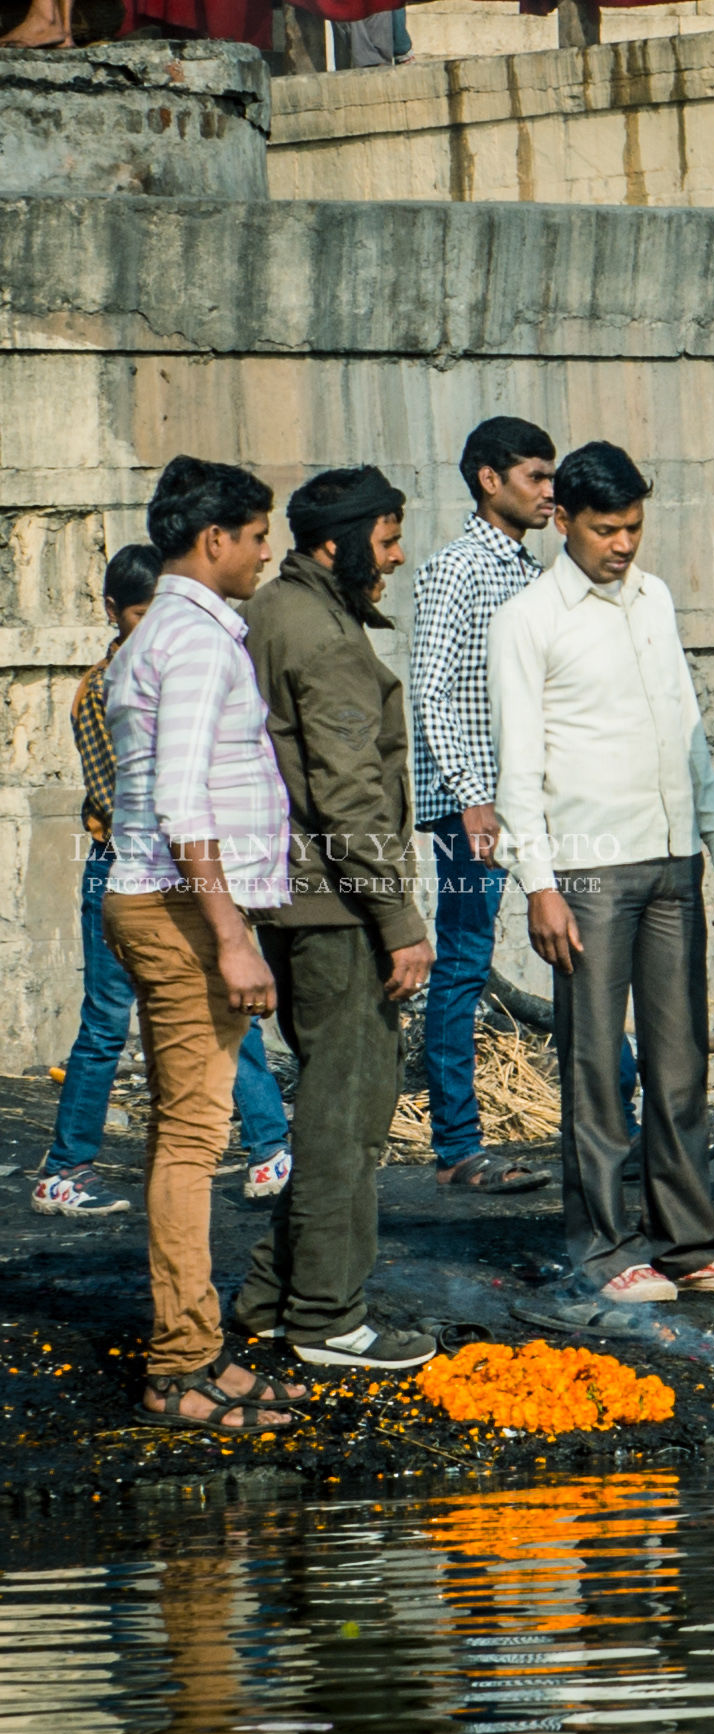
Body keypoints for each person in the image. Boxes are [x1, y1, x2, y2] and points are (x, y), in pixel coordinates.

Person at [489, 441, 714, 1334]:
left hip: (675, 858)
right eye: (607, 529)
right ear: (562, 520)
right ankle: (604, 1246)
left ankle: (688, 1240)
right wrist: (539, 883)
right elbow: (517, 764)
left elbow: (685, 728)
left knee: (679, 1064)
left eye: (635, 526)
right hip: (588, 871)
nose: (623, 545)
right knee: (597, 1065)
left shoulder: (655, 598)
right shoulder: (527, 619)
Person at [105, 459, 314, 1425]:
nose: (267, 551)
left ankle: (194, 1349)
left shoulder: (169, 633)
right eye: (257, 534)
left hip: (168, 899)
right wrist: (232, 937)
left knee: (184, 1131)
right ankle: (177, 1368)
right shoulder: (190, 642)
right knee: (195, 1137)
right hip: (182, 907)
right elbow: (185, 803)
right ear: (214, 540)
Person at [233, 466, 438, 1371]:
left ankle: (271, 1297)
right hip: (338, 906)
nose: (394, 559)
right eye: (386, 542)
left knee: (327, 1102)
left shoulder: (282, 611)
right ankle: (328, 1318)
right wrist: (400, 919)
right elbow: (351, 795)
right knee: (346, 1117)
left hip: (300, 899)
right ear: (336, 543)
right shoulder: (320, 634)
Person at [32, 544, 294, 1218]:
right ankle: (65, 1169)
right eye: (139, 616)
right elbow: (133, 794)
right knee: (104, 1026)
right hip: (137, 869)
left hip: (185, 868)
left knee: (233, 1013)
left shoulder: (180, 661)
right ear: (115, 612)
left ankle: (270, 1147)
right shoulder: (110, 684)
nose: (150, 630)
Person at [407, 414, 557, 1196]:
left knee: (579, 942)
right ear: (489, 479)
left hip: (526, 801)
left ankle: (621, 1121)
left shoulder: (533, 574)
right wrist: (472, 800)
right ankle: (458, 1148)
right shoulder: (454, 569)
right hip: (474, 809)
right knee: (462, 963)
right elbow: (431, 693)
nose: (549, 491)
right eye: (535, 476)